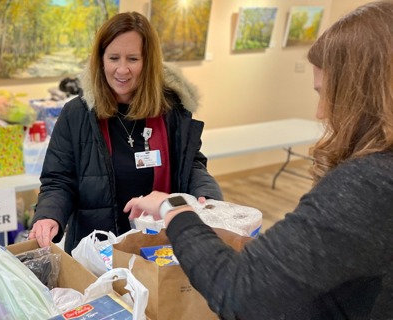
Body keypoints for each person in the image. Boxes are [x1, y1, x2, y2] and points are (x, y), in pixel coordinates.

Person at [124, 1, 393, 318]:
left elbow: (241, 290)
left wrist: (176, 209)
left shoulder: (370, 184)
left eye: (326, 93)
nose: (322, 113)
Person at [29, 11, 222, 253]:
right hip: (97, 250)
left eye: (132, 59)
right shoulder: (77, 114)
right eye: (113, 58)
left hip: (160, 248)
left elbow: (191, 165)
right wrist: (48, 215)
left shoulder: (171, 110)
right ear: (101, 60)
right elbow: (59, 180)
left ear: (148, 61)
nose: (122, 70)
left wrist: (206, 194)